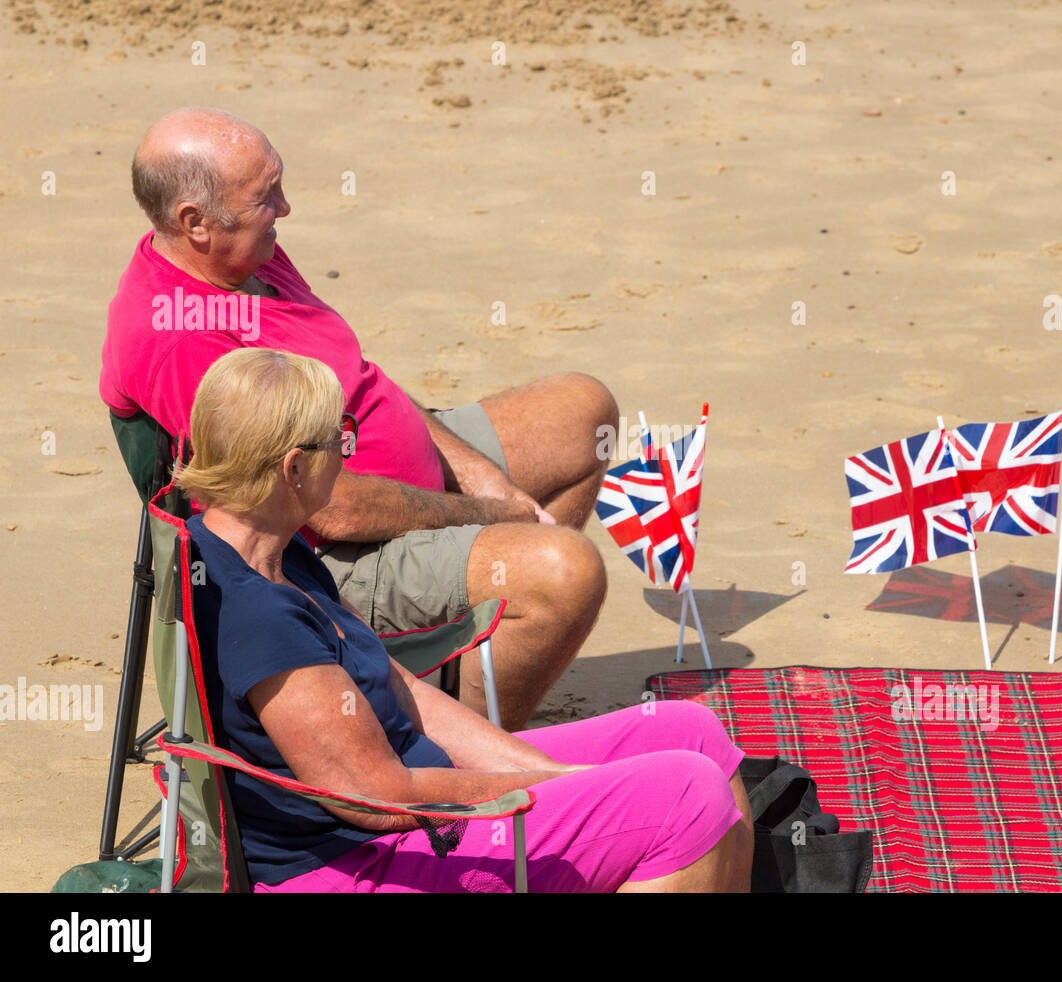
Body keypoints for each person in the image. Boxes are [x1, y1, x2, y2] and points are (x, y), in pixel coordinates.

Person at [101, 107, 617, 730]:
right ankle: (462, 754)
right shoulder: (182, 341)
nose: (285, 209)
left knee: (583, 413)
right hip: (331, 555)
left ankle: (472, 669)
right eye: (267, 197)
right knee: (566, 568)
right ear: (195, 223)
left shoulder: (242, 259)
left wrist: (481, 476)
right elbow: (330, 507)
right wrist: (494, 513)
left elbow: (357, 372)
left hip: (384, 473)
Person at [174, 347, 752, 892]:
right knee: (688, 794)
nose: (348, 453)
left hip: (420, 806)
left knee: (692, 733)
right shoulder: (259, 616)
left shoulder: (271, 549)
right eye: (338, 442)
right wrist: (548, 790)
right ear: (294, 468)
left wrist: (551, 771)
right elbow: (373, 796)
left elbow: (403, 690)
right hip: (367, 861)